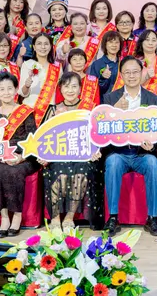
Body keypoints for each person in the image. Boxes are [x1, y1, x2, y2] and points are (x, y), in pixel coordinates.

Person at [102, 56, 157, 237]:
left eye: (135, 72)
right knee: (113, 162)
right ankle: (113, 217)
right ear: (121, 75)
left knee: (153, 164)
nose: (131, 76)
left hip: (141, 153)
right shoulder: (110, 98)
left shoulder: (152, 99)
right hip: (119, 152)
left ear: (142, 73)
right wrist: (115, 110)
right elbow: (103, 129)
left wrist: (152, 145)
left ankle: (152, 217)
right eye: (127, 72)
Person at [41, 73, 104, 230]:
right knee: (57, 170)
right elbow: (43, 136)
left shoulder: (90, 109)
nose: (70, 90)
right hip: (58, 155)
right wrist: (43, 156)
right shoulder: (53, 109)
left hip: (82, 156)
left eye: (74, 86)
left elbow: (98, 134)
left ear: (80, 89)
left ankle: (69, 217)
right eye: (66, 86)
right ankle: (55, 218)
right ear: (60, 89)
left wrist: (97, 151)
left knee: (81, 171)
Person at [0, 72, 39, 238]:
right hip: (1, 159)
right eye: (2, 89)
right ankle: (5, 218)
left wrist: (21, 157)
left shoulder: (25, 112)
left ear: (15, 90)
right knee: (0, 170)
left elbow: (32, 139)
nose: (6, 92)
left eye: (10, 88)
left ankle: (17, 216)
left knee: (14, 171)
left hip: (25, 157)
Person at [19, 33, 62, 125]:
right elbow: (22, 93)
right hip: (31, 109)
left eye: (46, 44)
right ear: (34, 47)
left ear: (51, 47)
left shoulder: (57, 66)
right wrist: (26, 86)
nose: (43, 47)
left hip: (51, 111)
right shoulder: (27, 65)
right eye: (39, 44)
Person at [88, 30, 121, 101]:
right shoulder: (97, 64)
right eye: (110, 42)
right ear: (105, 44)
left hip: (122, 101)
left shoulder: (124, 63)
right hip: (104, 102)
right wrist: (103, 78)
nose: (114, 45)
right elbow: (93, 88)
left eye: (117, 42)